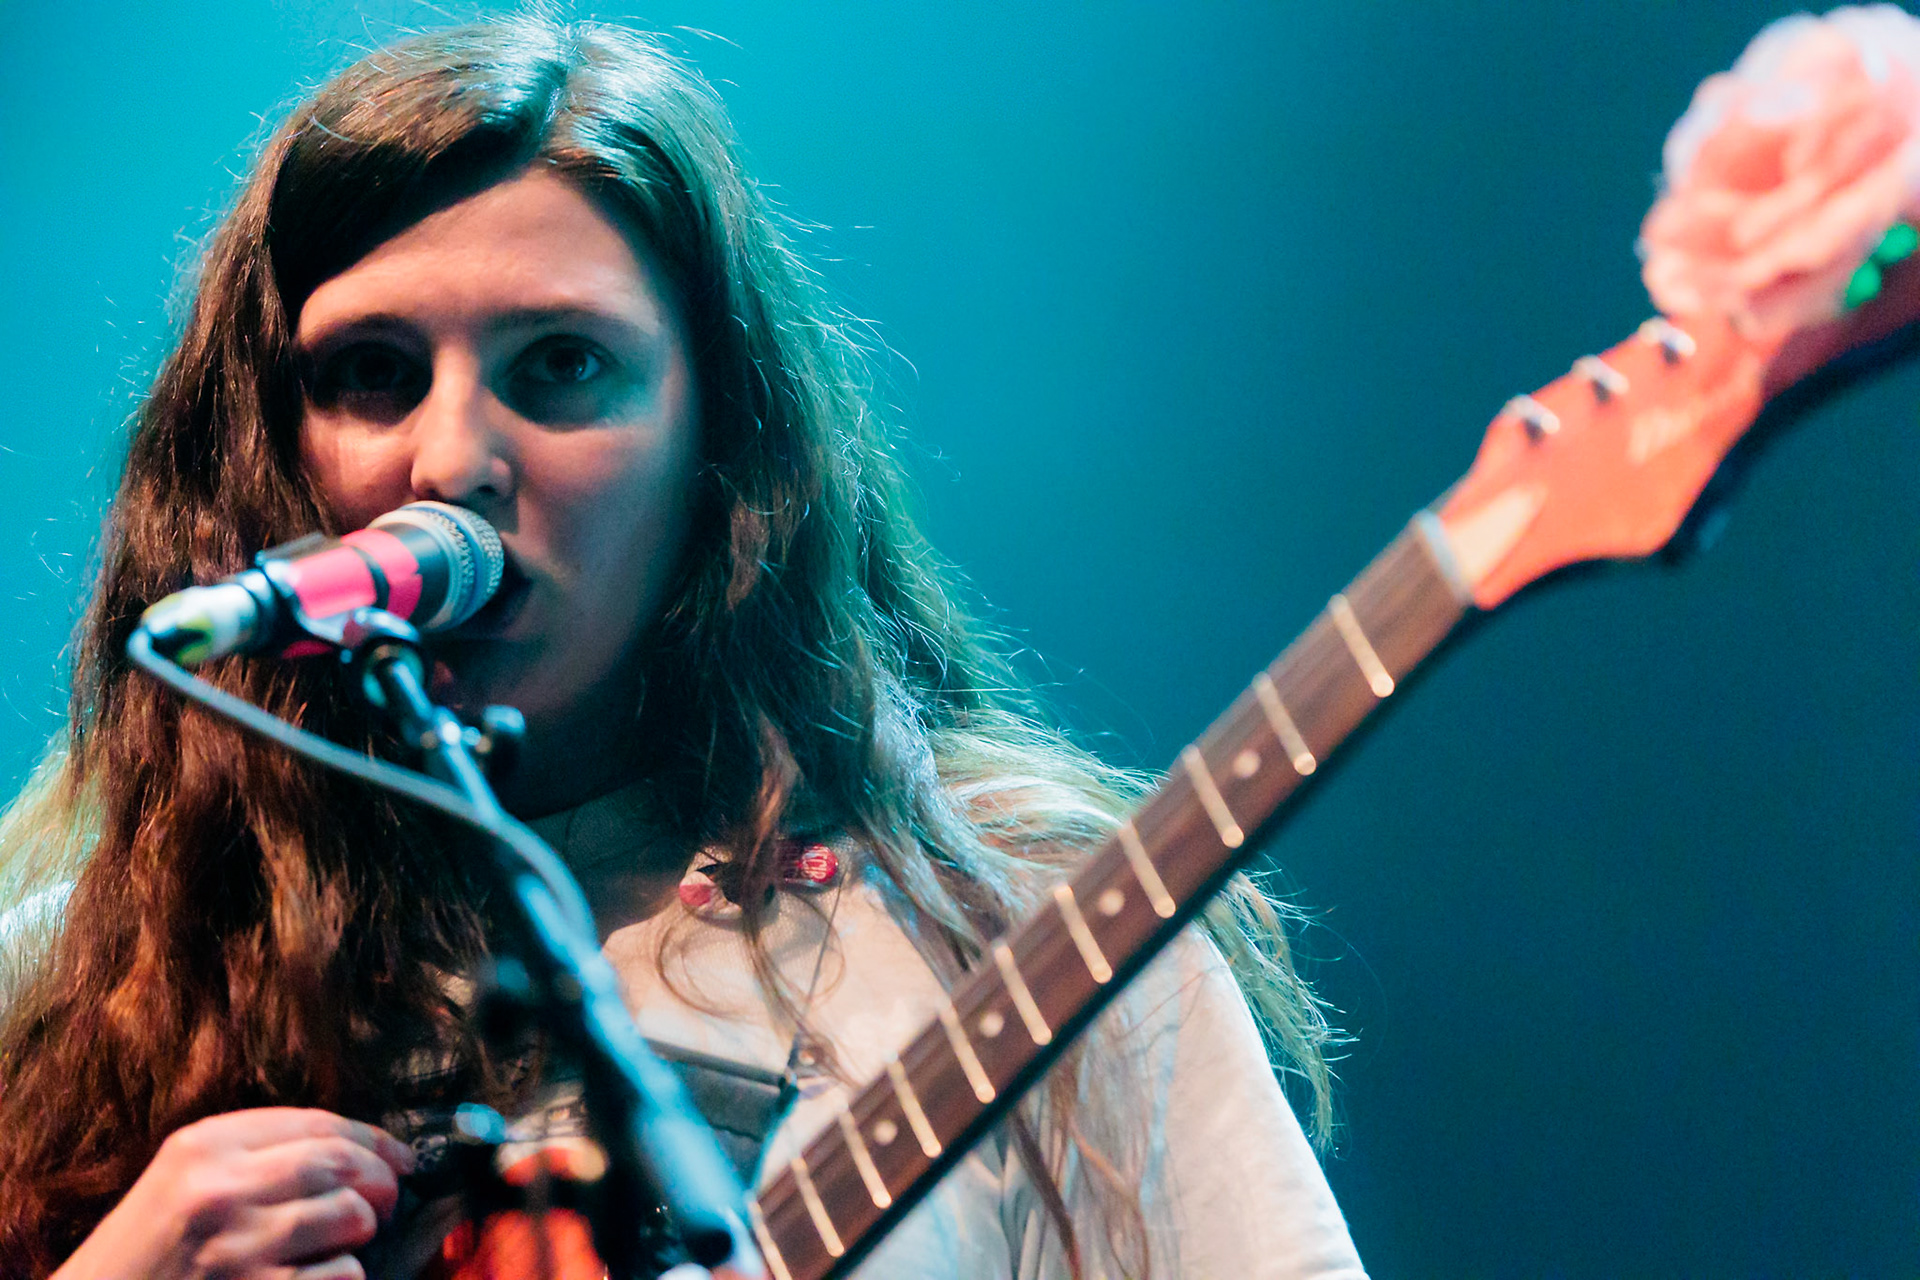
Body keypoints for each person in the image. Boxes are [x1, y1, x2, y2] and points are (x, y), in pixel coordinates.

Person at [0, 17, 1367, 1280]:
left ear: (716, 450)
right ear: (266, 451)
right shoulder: (88, 956)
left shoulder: (1011, 921)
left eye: (562, 366)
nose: (451, 459)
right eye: (373, 374)